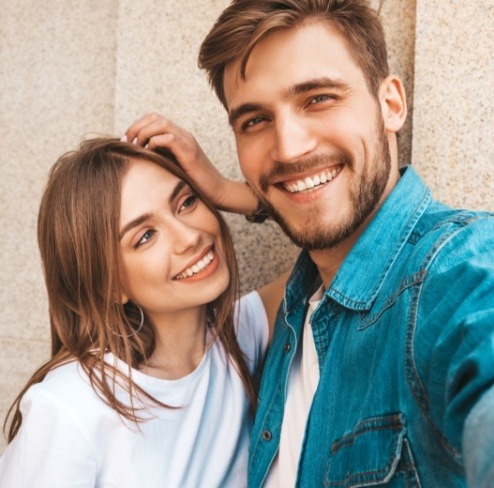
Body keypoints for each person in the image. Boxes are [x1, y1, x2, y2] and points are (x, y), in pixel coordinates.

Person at [123, 0, 494, 486]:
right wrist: (239, 193)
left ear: (391, 104)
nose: (289, 148)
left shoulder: (459, 267)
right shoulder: (292, 311)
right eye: (255, 121)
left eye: (318, 98)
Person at [0, 138, 286, 487]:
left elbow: (338, 244)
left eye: (186, 201)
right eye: (145, 236)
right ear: (107, 285)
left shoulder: (237, 335)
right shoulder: (69, 407)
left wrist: (230, 191)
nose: (189, 236)